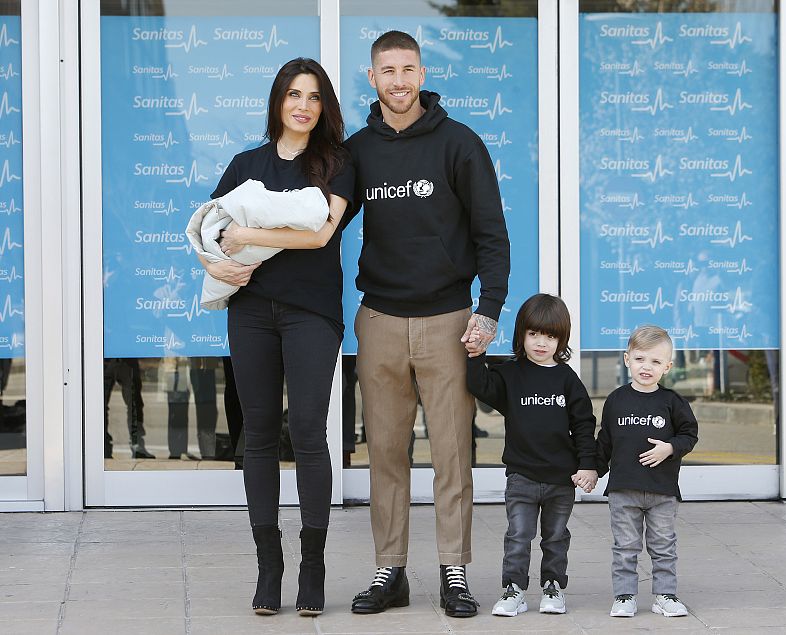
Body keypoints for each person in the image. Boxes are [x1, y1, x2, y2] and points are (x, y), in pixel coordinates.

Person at [345, 30, 510, 618]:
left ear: (422, 73)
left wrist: (488, 311)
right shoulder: (356, 151)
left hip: (449, 322)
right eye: (386, 70)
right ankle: (390, 571)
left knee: (451, 454)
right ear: (372, 78)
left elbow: (492, 233)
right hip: (380, 321)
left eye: (407, 69)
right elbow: (322, 224)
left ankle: (454, 572)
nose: (398, 81)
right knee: (385, 453)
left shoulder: (460, 144)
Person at [200, 57, 354, 617]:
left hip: (311, 311)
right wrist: (215, 262)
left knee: (309, 432)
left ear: (324, 107)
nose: (302, 106)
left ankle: (311, 565)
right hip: (250, 313)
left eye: (313, 97)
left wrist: (245, 232)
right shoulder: (246, 164)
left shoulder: (337, 163)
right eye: (293, 95)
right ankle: (270, 565)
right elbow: (209, 230)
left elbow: (319, 235)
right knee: (259, 434)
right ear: (277, 102)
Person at [465, 294, 598, 617]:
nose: (541, 343)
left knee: (555, 538)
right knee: (518, 536)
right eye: (534, 334)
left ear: (561, 339)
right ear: (521, 335)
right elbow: (479, 385)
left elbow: (584, 424)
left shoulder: (568, 380)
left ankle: (552, 586)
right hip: (521, 477)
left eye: (550, 336)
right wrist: (474, 354)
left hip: (560, 480)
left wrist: (588, 465)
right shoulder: (511, 374)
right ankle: (514, 589)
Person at [597, 325, 699, 619]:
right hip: (623, 490)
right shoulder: (616, 400)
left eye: (656, 362)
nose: (647, 367)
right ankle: (624, 595)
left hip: (662, 490)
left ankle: (665, 595)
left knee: (664, 546)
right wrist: (592, 470)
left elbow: (689, 435)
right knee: (625, 547)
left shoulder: (672, 402)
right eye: (641, 359)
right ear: (627, 359)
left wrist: (669, 448)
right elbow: (606, 442)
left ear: (667, 367)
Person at [102, 358, 152, 459]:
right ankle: (104, 446)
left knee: (134, 403)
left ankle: (137, 445)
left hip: (125, 358)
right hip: (106, 358)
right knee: (100, 405)